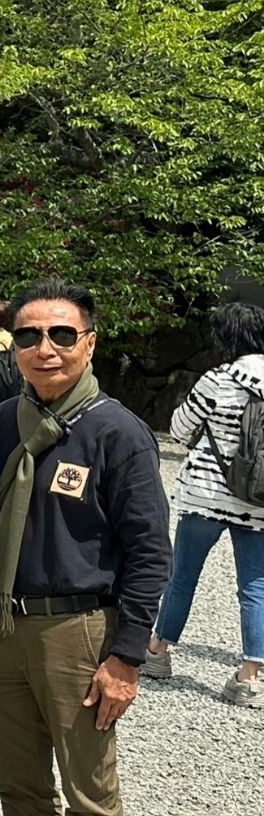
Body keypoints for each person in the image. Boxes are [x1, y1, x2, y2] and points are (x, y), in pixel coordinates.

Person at [0, 279, 172, 816]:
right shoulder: (3, 420)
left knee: (89, 796)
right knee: (18, 787)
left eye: (61, 334)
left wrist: (126, 657)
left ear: (89, 343)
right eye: (28, 336)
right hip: (1, 629)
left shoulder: (117, 432)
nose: (44, 349)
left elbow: (149, 550)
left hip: (76, 632)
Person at [148, 301, 264, 706]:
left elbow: (179, 430)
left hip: (207, 495)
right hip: (259, 502)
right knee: (255, 585)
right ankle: (250, 677)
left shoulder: (218, 379)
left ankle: (159, 652)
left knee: (183, 576)